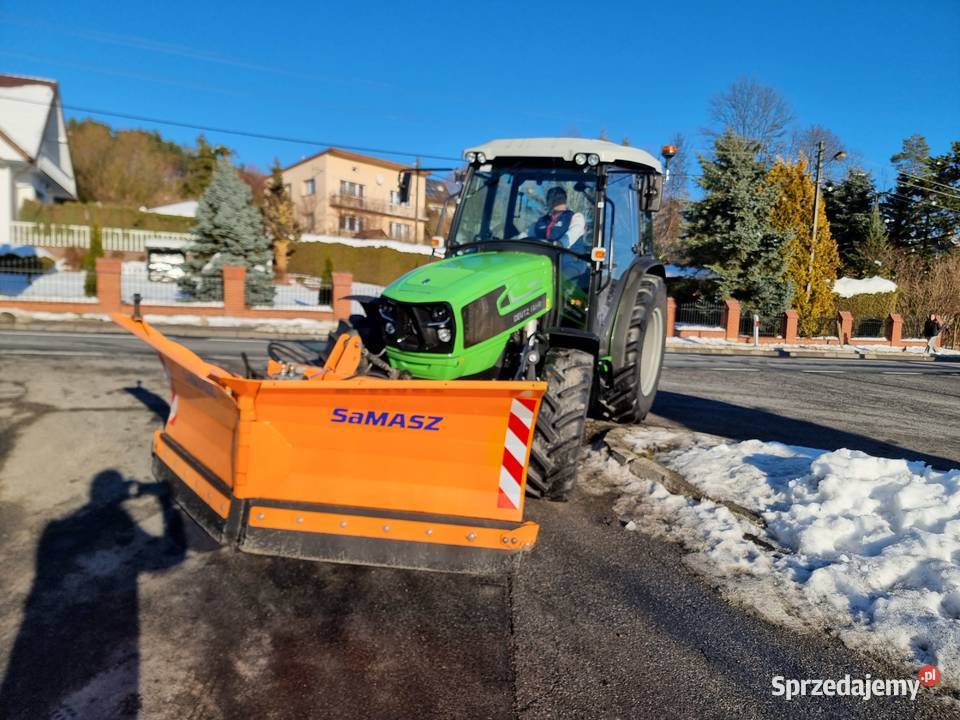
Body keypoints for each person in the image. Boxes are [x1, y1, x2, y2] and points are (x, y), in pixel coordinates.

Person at [522, 187, 587, 250]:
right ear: (548, 201)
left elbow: (573, 234)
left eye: (560, 198)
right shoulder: (540, 222)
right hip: (541, 259)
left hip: (569, 259)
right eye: (553, 198)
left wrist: (560, 244)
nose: (557, 201)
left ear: (565, 200)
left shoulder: (575, 217)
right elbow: (525, 236)